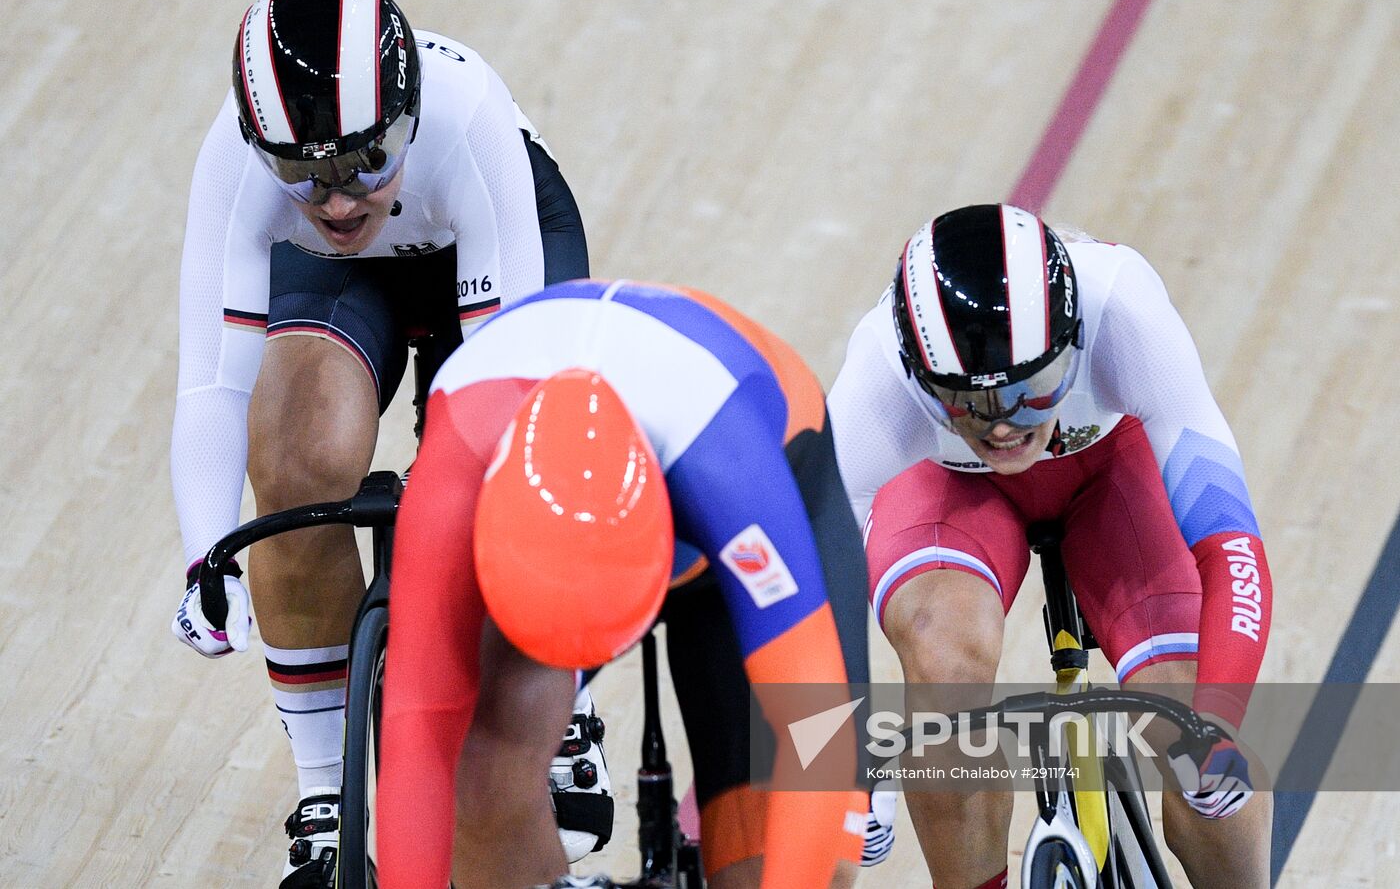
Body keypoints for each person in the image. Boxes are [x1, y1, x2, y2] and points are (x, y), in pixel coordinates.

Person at [166, 0, 606, 885]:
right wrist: (207, 555)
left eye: (367, 162)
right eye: (304, 171)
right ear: (261, 147)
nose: (337, 200)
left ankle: (563, 710)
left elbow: (506, 400)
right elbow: (212, 385)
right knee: (292, 459)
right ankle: (326, 796)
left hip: (481, 246)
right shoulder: (234, 161)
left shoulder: (467, 112)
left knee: (517, 469)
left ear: (407, 117)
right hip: (339, 281)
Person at [828, 204, 1273, 888]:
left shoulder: (1123, 308)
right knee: (944, 678)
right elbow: (813, 591)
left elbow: (1232, 548)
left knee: (1190, 723)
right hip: (950, 491)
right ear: (920, 379)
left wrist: (1219, 726)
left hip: (1109, 469)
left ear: (1073, 340)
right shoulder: (876, 380)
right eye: (968, 403)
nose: (1005, 429)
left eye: (1032, 391)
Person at [375, 280, 872, 888]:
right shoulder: (450, 491)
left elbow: (817, 740)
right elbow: (417, 734)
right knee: (479, 773)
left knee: (803, 859)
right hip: (583, 520)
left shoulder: (730, 466)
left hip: (773, 478)